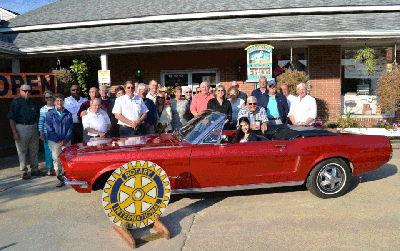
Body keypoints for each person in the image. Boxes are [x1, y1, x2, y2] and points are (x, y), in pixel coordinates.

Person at [7, 84, 43, 179]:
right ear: (20, 91)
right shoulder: (16, 102)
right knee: (22, 151)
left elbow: (37, 116)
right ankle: (23, 171)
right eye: (25, 91)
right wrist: (15, 132)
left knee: (34, 150)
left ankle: (35, 169)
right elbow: (11, 119)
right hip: (21, 127)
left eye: (29, 91)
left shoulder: (33, 102)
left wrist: (38, 129)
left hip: (33, 127)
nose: (27, 93)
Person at [45, 94, 73, 187]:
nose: (59, 102)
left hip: (66, 141)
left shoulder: (68, 113)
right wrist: (57, 140)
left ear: (64, 102)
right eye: (57, 101)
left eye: (61, 100)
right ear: (54, 102)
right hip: (54, 141)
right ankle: (59, 179)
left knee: (66, 159)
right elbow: (49, 128)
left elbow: (70, 128)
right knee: (57, 159)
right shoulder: (49, 114)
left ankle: (66, 178)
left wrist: (65, 140)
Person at [38, 91, 55, 176]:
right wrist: (41, 134)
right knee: (48, 152)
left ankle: (57, 168)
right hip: (46, 133)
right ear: (44, 99)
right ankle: (49, 168)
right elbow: (41, 122)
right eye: (47, 97)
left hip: (56, 133)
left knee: (56, 152)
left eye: (50, 97)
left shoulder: (57, 107)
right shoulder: (42, 109)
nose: (49, 99)